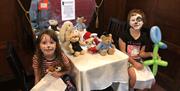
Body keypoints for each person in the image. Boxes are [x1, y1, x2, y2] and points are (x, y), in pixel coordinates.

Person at [118, 9, 155, 90]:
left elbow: (141, 53)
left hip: (138, 60)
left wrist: (150, 54)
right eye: (133, 20)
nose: (136, 22)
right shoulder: (124, 35)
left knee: (148, 78)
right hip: (126, 60)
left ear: (143, 22)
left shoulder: (144, 37)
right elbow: (123, 52)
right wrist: (134, 63)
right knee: (134, 77)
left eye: (139, 20)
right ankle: (130, 89)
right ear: (129, 21)